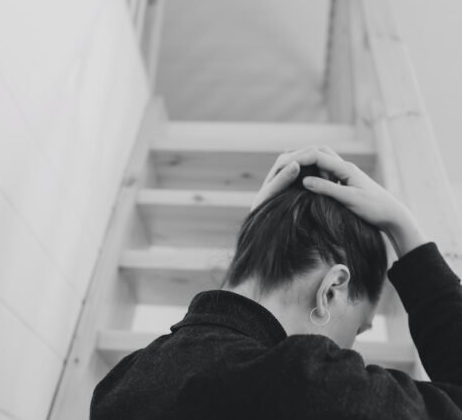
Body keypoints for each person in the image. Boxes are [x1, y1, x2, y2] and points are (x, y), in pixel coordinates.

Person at [90, 146, 462, 419]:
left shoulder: (124, 382)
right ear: (331, 290)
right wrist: (405, 228)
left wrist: (255, 244)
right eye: (358, 329)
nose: (353, 350)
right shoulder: (313, 384)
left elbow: (217, 339)